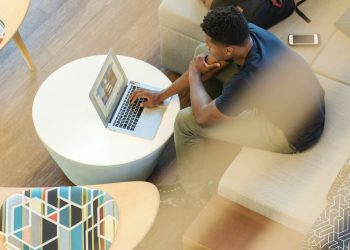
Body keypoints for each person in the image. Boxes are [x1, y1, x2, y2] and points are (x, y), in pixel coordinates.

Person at [130, 6, 325, 203]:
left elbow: (202, 118)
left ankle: (193, 194)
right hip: (305, 102)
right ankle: (218, 114)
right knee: (201, 55)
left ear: (229, 49)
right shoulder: (249, 32)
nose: (207, 46)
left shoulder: (249, 78)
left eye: (210, 43)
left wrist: (195, 75)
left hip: (290, 133)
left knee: (185, 121)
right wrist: (160, 95)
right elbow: (207, 58)